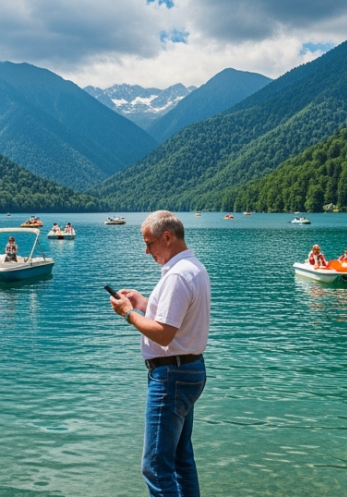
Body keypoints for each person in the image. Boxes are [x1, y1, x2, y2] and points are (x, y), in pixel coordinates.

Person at [109, 210, 211, 497]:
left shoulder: (178, 276)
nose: (146, 250)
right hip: (190, 370)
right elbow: (176, 314)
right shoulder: (194, 268)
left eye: (149, 243)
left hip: (171, 376)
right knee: (180, 459)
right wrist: (143, 301)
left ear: (167, 237)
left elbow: (165, 334)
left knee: (155, 466)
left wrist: (129, 313)